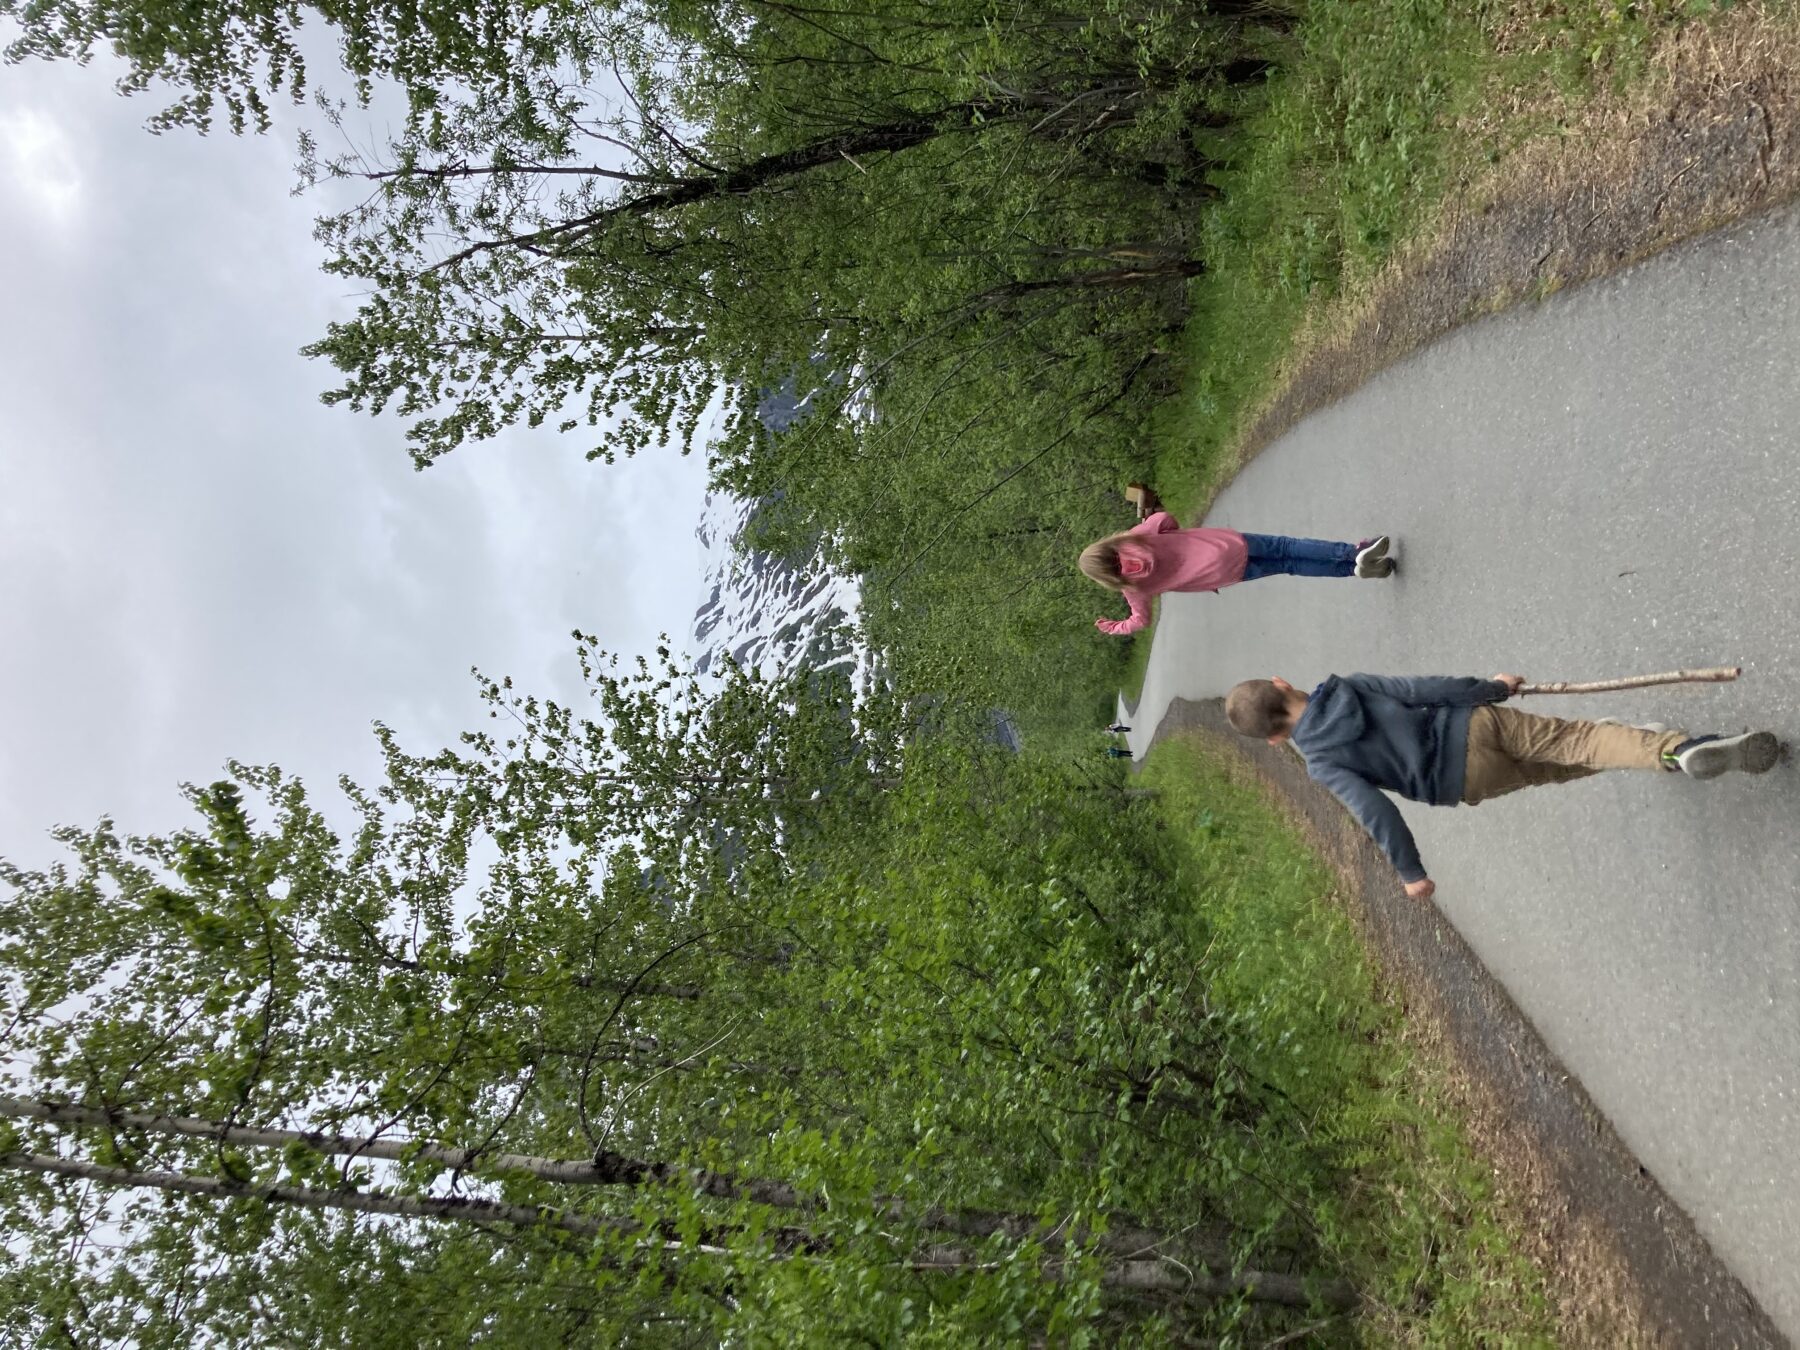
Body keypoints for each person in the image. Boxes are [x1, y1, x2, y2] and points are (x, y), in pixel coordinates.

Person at [1224, 671, 1781, 900]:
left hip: (1464, 780)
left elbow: (1376, 812)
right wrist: (1489, 687)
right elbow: (1424, 687)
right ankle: (1673, 749)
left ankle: (1649, 750)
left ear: (1276, 741)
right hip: (1473, 725)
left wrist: (1411, 873)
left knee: (1554, 767)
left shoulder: (1320, 762)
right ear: (1282, 682)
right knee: (1576, 739)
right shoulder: (1347, 686)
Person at [1081, 513, 1393, 636]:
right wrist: (1171, 533)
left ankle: (1353, 570)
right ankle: (1354, 553)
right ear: (1106, 545)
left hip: (1227, 572)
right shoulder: (1137, 536)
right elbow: (1165, 518)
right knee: (1287, 546)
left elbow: (1141, 620)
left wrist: (1114, 627)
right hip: (1227, 545)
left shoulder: (1133, 589)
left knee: (1289, 565)